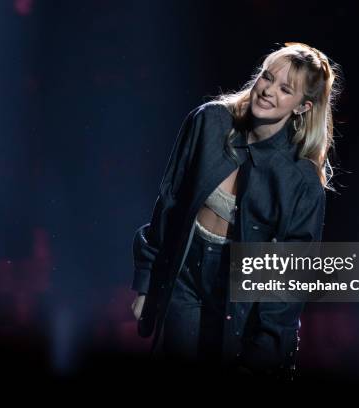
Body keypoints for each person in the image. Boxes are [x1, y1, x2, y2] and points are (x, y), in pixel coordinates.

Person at [130, 42, 342, 378]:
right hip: (184, 274)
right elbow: (169, 203)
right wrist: (147, 284)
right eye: (267, 77)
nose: (268, 91)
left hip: (239, 291)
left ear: (303, 106)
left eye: (284, 89)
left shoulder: (301, 179)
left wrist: (266, 350)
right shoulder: (209, 122)